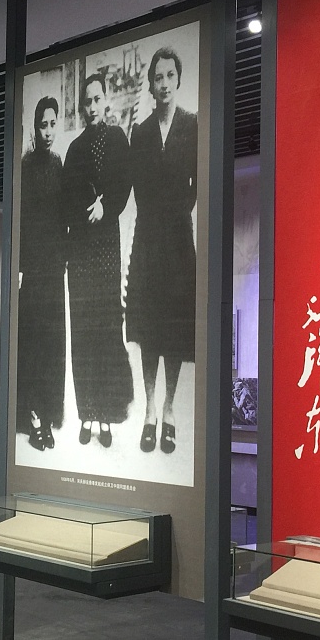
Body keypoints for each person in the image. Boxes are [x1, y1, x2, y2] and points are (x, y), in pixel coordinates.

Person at [126, 46, 197, 454]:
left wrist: (176, 214)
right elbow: (138, 189)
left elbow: (196, 185)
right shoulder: (141, 132)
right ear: (151, 86)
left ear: (178, 80)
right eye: (158, 77)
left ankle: (169, 409)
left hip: (179, 240)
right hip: (148, 241)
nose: (164, 83)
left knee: (174, 329)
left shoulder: (193, 125)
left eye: (170, 75)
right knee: (149, 329)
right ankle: (150, 410)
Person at [62, 72, 133, 446]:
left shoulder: (118, 139)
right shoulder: (74, 150)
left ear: (106, 101)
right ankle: (87, 413)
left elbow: (124, 183)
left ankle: (106, 415)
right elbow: (66, 196)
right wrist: (83, 211)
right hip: (80, 248)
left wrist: (106, 207)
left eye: (96, 99)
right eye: (86, 102)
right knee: (83, 329)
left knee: (106, 327)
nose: (91, 107)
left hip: (106, 244)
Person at [17, 96, 68, 450]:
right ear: (35, 128)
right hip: (32, 268)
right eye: (42, 125)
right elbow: (21, 222)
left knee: (52, 344)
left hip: (53, 267)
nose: (48, 131)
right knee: (33, 343)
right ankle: (35, 418)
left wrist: (62, 258)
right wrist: (21, 267)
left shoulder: (58, 162)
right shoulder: (24, 166)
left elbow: (62, 217)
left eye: (52, 124)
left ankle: (49, 416)